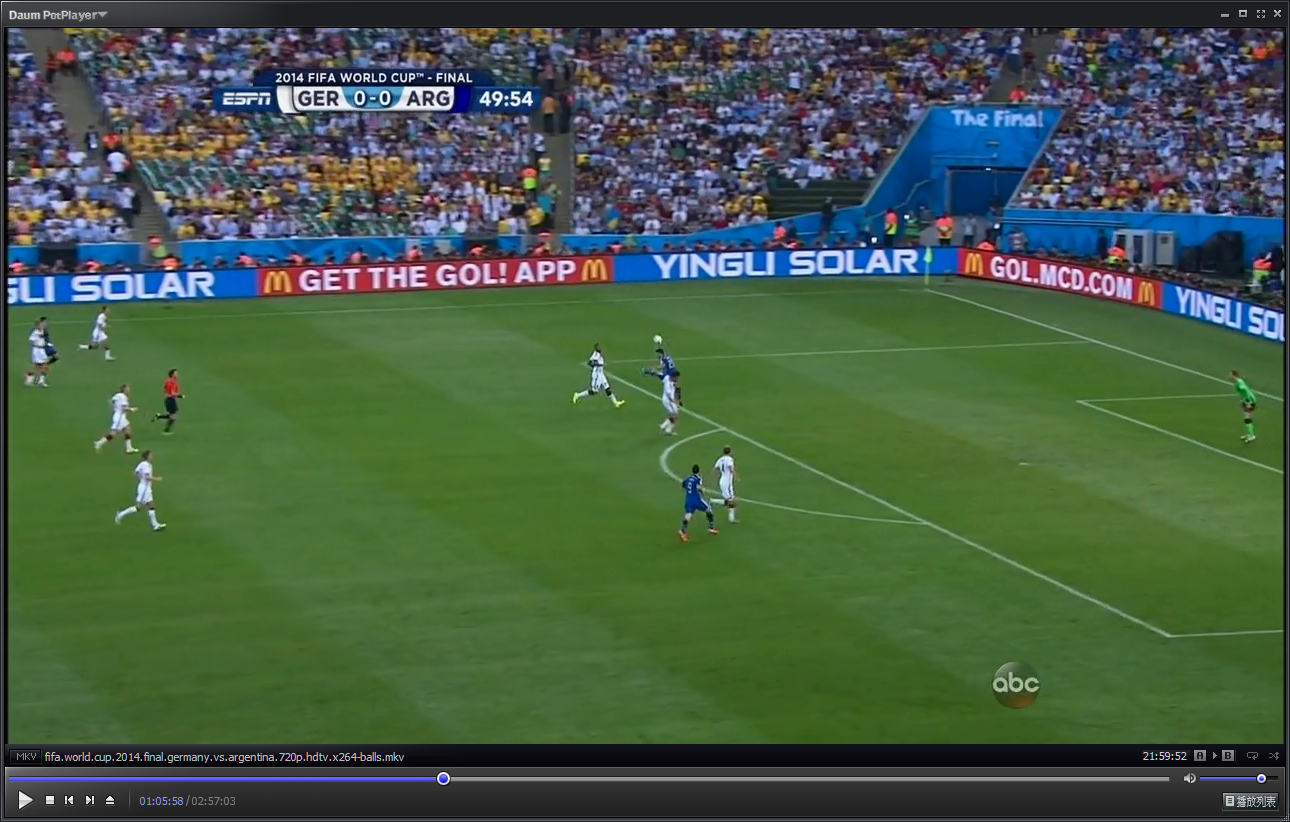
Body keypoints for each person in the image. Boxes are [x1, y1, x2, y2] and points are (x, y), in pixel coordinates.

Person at [115, 449, 166, 531]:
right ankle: (120, 515)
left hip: (144, 487)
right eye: (151, 455)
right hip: (144, 489)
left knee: (151, 505)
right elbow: (147, 477)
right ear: (147, 456)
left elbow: (136, 472)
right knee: (138, 508)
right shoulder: (146, 465)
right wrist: (157, 479)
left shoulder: (142, 464)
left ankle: (155, 525)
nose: (152, 456)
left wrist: (141, 477)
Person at [572, 344, 625, 408]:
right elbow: (590, 363)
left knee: (607, 389)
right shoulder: (596, 355)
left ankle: (615, 402)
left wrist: (600, 365)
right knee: (594, 391)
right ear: (596, 348)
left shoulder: (599, 355)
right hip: (597, 375)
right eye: (599, 347)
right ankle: (577, 395)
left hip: (601, 374)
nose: (600, 348)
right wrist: (600, 365)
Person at [95, 384, 140, 454]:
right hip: (120, 418)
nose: (129, 391)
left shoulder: (118, 395)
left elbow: (111, 401)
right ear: (124, 390)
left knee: (127, 430)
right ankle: (99, 443)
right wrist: (131, 409)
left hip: (120, 416)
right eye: (127, 389)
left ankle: (129, 448)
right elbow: (124, 408)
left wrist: (115, 408)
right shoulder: (123, 397)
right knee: (113, 433)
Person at [678, 465, 718, 543]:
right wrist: (702, 491)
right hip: (696, 500)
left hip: (688, 500)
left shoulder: (688, 478)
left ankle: (682, 531)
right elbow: (698, 487)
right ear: (699, 471)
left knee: (688, 516)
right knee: (709, 509)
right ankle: (711, 527)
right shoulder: (698, 479)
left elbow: (683, 484)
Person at [153, 369, 185, 434]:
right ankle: (166, 430)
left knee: (172, 416)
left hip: (169, 399)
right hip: (170, 400)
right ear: (172, 374)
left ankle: (158, 417)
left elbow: (165, 389)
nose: (177, 374)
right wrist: (180, 396)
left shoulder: (169, 381)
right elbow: (172, 393)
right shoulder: (172, 382)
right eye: (176, 373)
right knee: (173, 417)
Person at [1231, 371, 1259, 443]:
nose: (1230, 376)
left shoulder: (1239, 384)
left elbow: (1246, 391)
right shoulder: (1239, 381)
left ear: (1234, 375)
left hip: (1249, 401)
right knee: (1246, 418)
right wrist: (1243, 400)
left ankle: (1252, 435)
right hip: (1246, 400)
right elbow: (1244, 392)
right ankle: (1248, 434)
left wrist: (1249, 402)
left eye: (1231, 374)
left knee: (1247, 418)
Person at [714, 446, 738, 523]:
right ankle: (731, 519)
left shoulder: (720, 459)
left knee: (729, 500)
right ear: (730, 452)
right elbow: (730, 467)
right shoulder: (730, 459)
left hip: (722, 481)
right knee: (731, 501)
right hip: (727, 484)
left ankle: (713, 501)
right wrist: (735, 475)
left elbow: (716, 468)